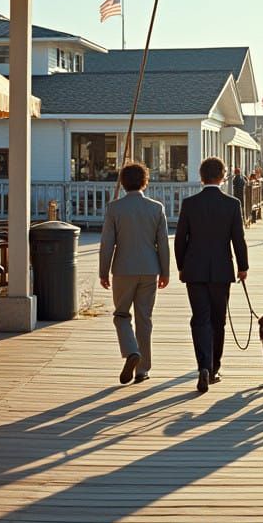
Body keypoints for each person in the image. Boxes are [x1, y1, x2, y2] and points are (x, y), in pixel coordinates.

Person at [174, 157, 249, 393]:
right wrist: (243, 266)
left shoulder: (189, 204)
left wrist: (181, 265)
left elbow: (180, 240)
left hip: (194, 269)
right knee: (218, 320)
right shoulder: (232, 204)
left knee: (200, 318)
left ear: (201, 176)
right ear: (223, 176)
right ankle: (215, 367)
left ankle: (203, 365)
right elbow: (238, 239)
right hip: (221, 270)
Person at [99, 161, 170, 385]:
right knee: (144, 319)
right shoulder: (156, 208)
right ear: (145, 182)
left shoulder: (114, 208)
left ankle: (131, 351)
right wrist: (165, 271)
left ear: (122, 182)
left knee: (121, 315)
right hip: (150, 270)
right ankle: (143, 369)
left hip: (123, 270)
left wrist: (103, 271)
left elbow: (107, 243)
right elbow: (163, 243)